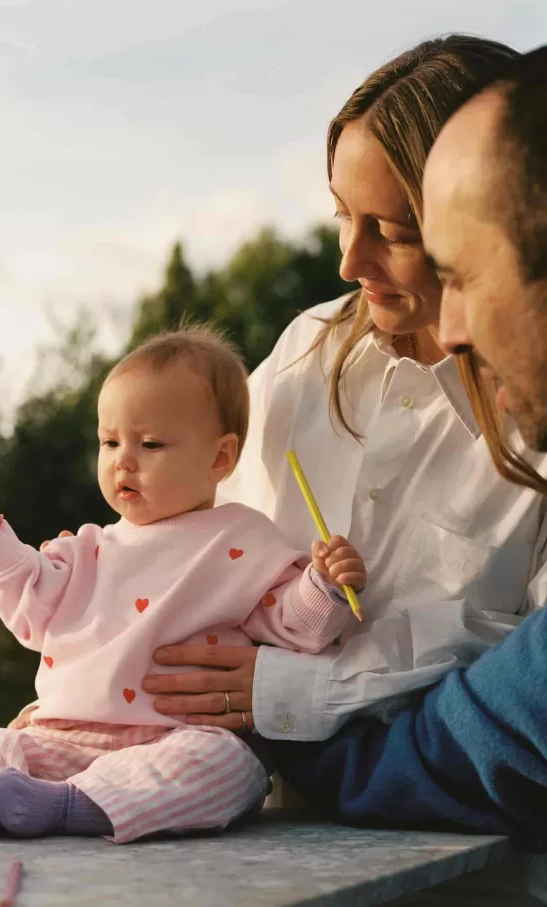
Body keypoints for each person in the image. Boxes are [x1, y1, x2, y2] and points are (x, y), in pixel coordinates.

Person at [130, 35, 547, 755]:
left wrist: (291, 689)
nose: (350, 260)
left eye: (391, 230)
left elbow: (525, 677)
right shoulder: (303, 351)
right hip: (224, 804)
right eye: (341, 217)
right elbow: (180, 540)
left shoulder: (532, 408)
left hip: (454, 851)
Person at [0, 327, 367, 843]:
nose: (122, 459)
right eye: (109, 442)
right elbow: (32, 613)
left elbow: (293, 627)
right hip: (64, 732)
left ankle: (62, 806)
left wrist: (324, 586)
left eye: (149, 444)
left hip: (173, 737)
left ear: (220, 458)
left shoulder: (242, 539)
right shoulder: (87, 547)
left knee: (226, 766)